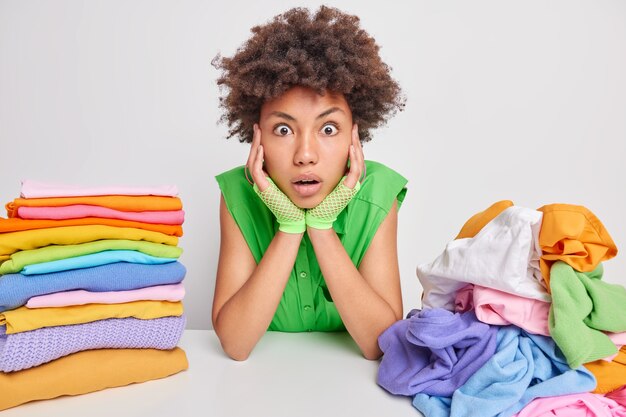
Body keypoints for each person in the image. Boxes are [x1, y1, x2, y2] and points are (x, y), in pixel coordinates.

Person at [212, 6, 408, 361]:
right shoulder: (239, 195)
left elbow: (380, 345)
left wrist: (321, 224)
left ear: (355, 136)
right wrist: (289, 225)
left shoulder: (379, 195)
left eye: (328, 129)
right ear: (258, 139)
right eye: (283, 130)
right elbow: (235, 345)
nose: (305, 154)